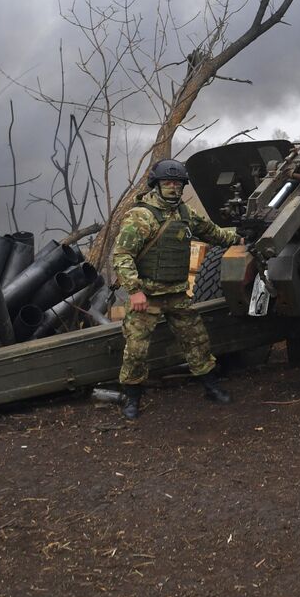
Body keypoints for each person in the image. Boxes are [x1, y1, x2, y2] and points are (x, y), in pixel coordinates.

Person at [112, 157, 240, 419]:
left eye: (177, 183)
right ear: (156, 185)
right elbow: (122, 256)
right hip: (146, 296)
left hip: (177, 294)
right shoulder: (141, 216)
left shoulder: (184, 213)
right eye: (167, 182)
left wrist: (240, 238)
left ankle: (210, 387)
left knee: (198, 341)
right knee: (136, 350)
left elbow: (214, 233)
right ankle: (132, 397)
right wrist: (134, 291)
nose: (173, 187)